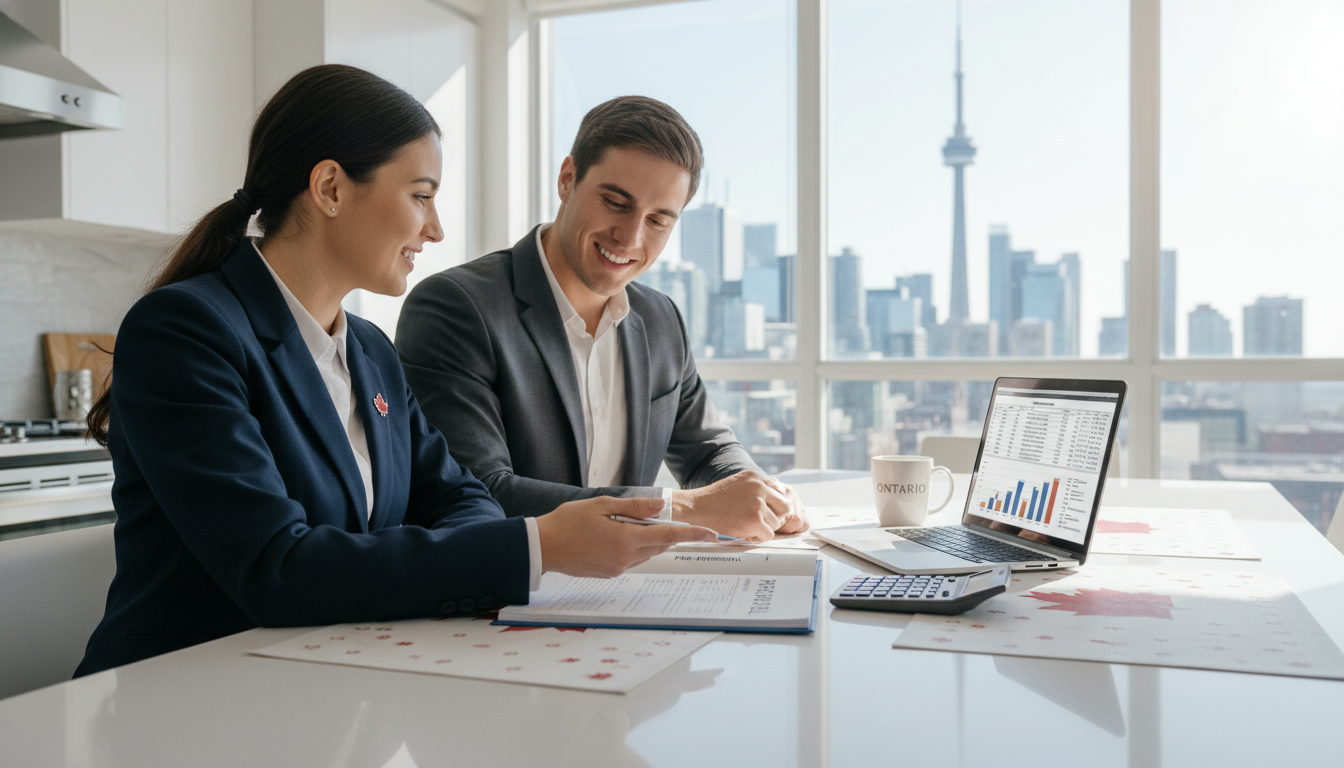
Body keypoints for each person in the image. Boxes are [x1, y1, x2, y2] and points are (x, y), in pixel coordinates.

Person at [75, 66, 713, 677]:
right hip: (179, 697)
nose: (434, 230)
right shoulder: (186, 331)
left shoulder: (371, 351)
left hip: (325, 683)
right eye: (420, 196)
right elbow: (276, 568)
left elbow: (457, 496)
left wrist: (492, 548)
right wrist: (536, 547)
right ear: (329, 188)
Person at [396, 96, 807, 541]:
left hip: (630, 591)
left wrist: (761, 493)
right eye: (616, 202)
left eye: (658, 221)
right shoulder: (456, 308)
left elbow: (709, 451)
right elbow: (480, 492)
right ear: (567, 179)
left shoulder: (660, 318)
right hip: (508, 596)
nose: (630, 237)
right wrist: (681, 508)